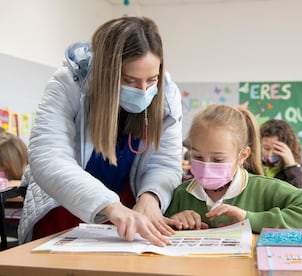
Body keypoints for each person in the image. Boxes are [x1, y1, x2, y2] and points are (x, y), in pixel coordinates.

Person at [18, 16, 183, 246]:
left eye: (151, 80)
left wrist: (151, 197)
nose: (144, 90)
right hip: (64, 208)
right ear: (108, 73)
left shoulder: (166, 96)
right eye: (130, 80)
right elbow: (48, 156)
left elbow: (166, 163)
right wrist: (110, 206)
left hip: (128, 215)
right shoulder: (69, 84)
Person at [164, 104, 302, 233]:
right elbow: (159, 228)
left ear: (242, 156)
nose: (207, 167)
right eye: (198, 157)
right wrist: (173, 222)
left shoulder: (265, 189)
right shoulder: (181, 194)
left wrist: (251, 219)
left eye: (218, 159)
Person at [260, 119, 302, 189]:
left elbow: (300, 195)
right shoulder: (254, 164)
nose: (270, 154)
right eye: (266, 148)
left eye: (277, 149)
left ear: (288, 149)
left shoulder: (294, 168)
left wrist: (291, 166)